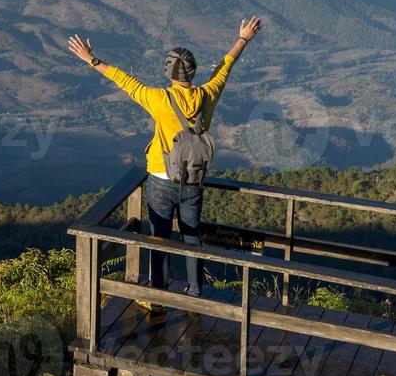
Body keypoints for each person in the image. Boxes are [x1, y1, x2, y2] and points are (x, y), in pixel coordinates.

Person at [67, 17, 262, 299]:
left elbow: (125, 81)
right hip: (194, 179)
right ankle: (195, 292)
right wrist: (243, 38)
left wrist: (92, 59)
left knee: (159, 238)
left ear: (169, 73)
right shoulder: (208, 95)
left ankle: (158, 294)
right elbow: (225, 67)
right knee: (192, 237)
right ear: (193, 72)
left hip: (160, 177)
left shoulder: (158, 99)